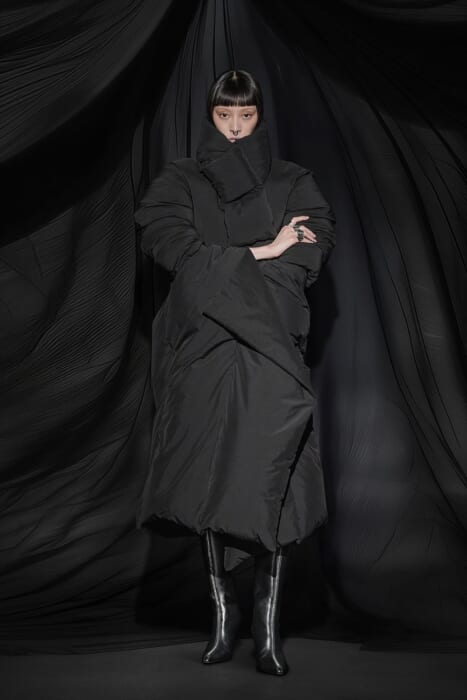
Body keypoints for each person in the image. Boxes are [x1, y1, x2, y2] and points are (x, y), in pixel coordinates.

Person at [134, 69, 336, 676]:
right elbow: (172, 247)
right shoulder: (179, 181)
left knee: (271, 470)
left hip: (270, 343)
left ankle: (266, 630)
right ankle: (224, 619)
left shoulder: (292, 180)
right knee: (211, 471)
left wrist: (227, 270)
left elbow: (311, 249)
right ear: (210, 116)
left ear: (260, 117)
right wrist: (266, 251)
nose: (235, 128)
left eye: (245, 116)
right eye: (225, 115)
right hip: (202, 344)